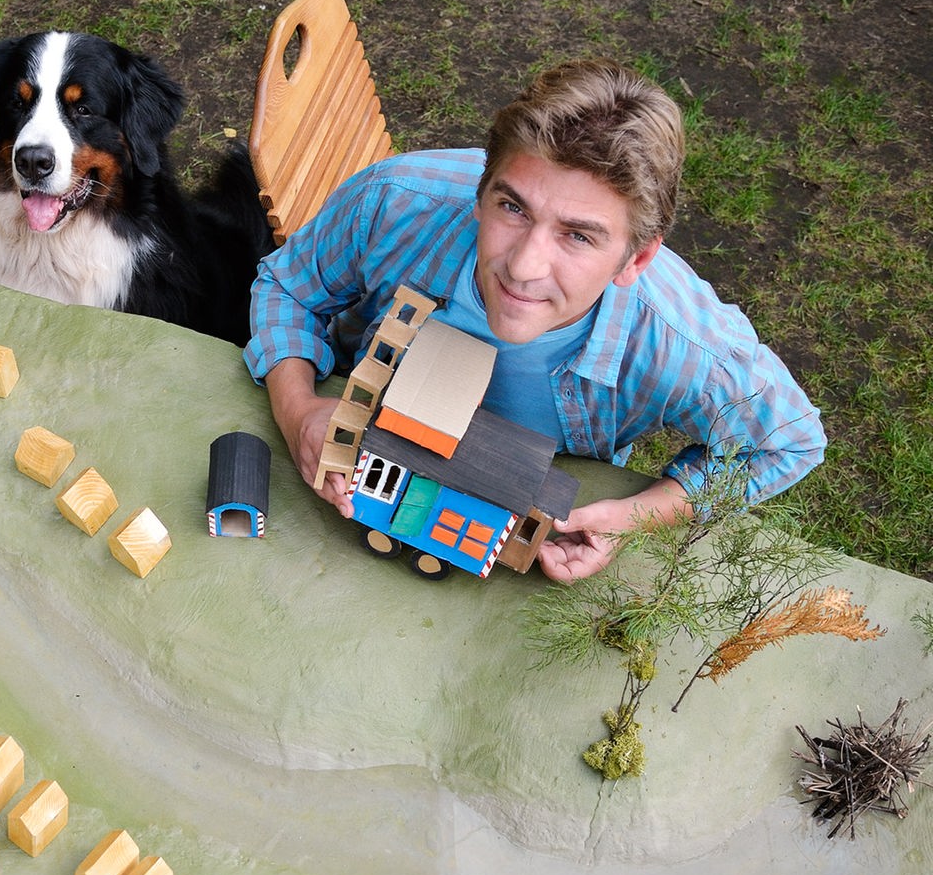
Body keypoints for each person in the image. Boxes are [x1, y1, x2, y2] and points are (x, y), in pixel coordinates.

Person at [245, 58, 824, 582]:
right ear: (480, 191)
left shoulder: (681, 343)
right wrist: (298, 409)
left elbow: (788, 443)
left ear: (637, 258)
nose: (523, 267)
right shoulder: (393, 200)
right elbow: (288, 287)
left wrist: (635, 515)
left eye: (578, 236)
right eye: (512, 207)